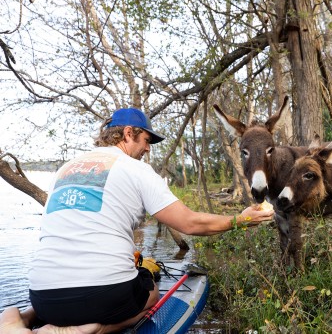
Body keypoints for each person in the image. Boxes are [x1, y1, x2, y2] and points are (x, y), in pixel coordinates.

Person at [4, 108, 274, 334]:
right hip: (102, 298)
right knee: (151, 291)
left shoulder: (65, 169)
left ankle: (21, 319)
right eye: (146, 139)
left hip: (43, 297)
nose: (147, 148)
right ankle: (89, 329)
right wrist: (239, 220)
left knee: (63, 292)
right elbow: (189, 223)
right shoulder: (136, 169)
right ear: (128, 133)